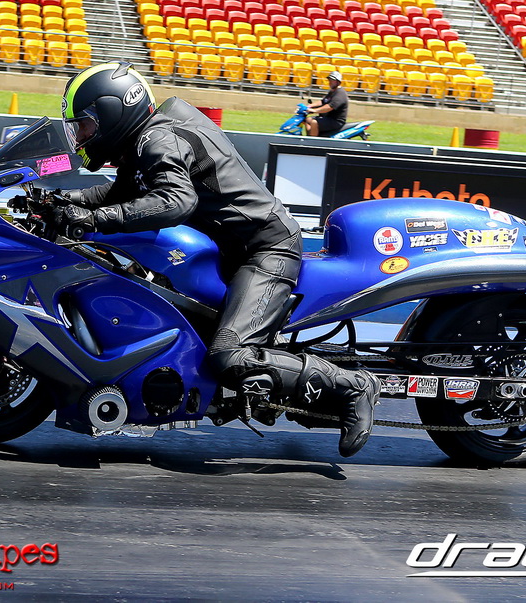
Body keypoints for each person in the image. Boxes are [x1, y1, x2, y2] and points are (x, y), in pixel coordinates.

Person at [51, 61, 379, 457]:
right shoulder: (147, 140)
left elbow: (175, 201)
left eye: (86, 126)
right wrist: (61, 201)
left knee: (229, 355)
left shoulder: (159, 139)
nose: (83, 136)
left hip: (265, 249)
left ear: (112, 113)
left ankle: (355, 386)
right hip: (233, 250)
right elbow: (118, 194)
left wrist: (94, 219)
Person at [304, 71, 348, 137]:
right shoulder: (332, 91)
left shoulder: (340, 94)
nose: (330, 82)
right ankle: (309, 137)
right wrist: (309, 106)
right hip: (327, 118)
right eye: (329, 80)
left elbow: (329, 107)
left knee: (314, 122)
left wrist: (315, 110)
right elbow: (323, 101)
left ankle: (313, 141)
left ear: (338, 82)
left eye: (332, 80)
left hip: (336, 121)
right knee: (307, 120)